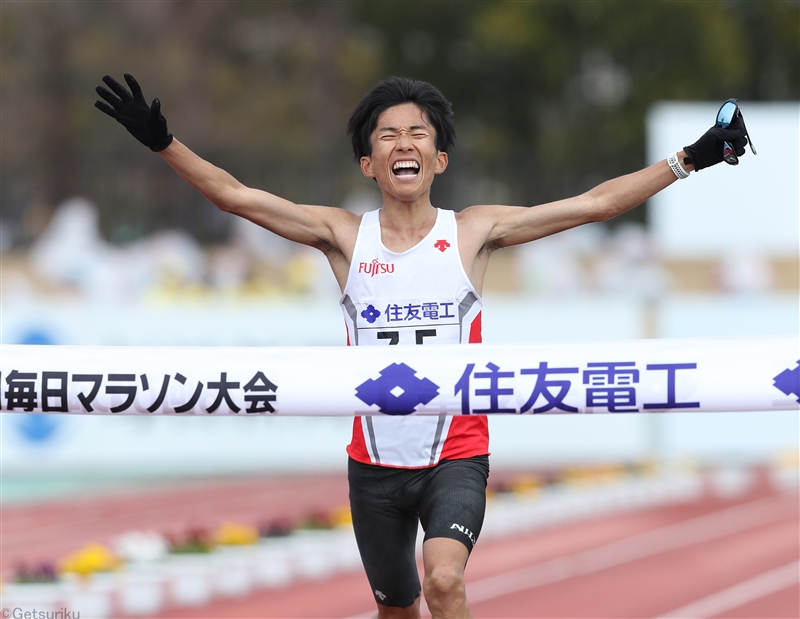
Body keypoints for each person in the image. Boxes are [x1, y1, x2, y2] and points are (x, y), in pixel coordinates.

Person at [95, 73, 748, 619]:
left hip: (456, 456)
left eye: (418, 133)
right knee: (398, 609)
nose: (403, 142)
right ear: (368, 162)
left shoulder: (473, 232)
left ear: (438, 159)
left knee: (444, 583)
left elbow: (595, 204)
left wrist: (687, 158)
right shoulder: (343, 236)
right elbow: (235, 197)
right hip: (373, 467)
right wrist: (164, 143)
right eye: (387, 134)